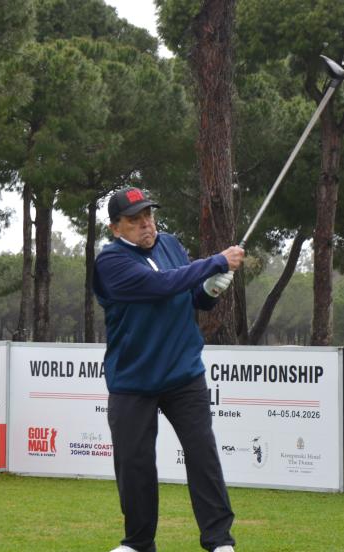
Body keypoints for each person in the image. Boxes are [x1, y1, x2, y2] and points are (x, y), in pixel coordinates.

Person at [93, 188, 244, 552]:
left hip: (183, 373)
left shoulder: (171, 245)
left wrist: (211, 289)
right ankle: (138, 543)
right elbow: (160, 286)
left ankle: (219, 541)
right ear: (116, 228)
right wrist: (216, 262)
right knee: (135, 464)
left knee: (202, 455)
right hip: (133, 379)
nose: (146, 224)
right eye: (135, 220)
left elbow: (191, 296)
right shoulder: (110, 262)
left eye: (149, 215)